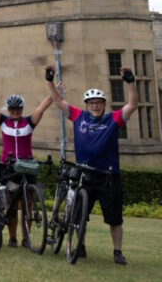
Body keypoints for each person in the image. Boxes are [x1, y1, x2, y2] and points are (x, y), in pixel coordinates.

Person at [45, 64, 137, 265]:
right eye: (91, 103)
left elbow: (132, 106)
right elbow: (58, 101)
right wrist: (50, 81)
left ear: (104, 104)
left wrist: (130, 83)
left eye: (98, 103)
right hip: (84, 175)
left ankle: (117, 252)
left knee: (114, 219)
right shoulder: (79, 116)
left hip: (108, 177)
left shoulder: (112, 119)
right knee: (78, 216)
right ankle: (81, 246)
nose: (94, 106)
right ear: (86, 105)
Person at [0, 75, 53, 248]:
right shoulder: (3, 122)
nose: (15, 112)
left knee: (28, 204)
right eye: (12, 110)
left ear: (21, 109)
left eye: (18, 109)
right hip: (9, 167)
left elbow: (41, 109)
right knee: (12, 205)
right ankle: (12, 238)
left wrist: (54, 95)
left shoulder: (28, 122)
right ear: (8, 110)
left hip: (27, 167)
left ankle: (26, 239)